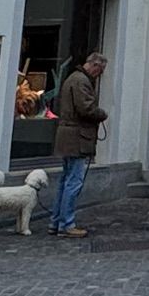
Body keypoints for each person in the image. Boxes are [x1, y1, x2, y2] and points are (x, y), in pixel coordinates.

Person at [50, 52, 108, 238]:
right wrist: (102, 114)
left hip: (68, 135)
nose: (99, 75)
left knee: (65, 180)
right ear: (94, 66)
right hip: (77, 137)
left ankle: (56, 221)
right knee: (74, 181)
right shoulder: (82, 81)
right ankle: (67, 224)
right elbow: (86, 108)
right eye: (100, 70)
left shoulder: (72, 78)